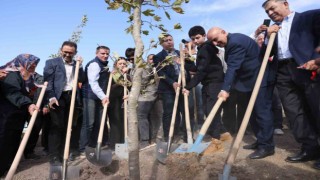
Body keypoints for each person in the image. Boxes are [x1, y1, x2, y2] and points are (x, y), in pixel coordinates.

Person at [257, 0, 320, 169]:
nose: (270, 13)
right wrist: (266, 37)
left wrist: (316, 59)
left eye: (272, 8)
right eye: (267, 12)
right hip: (282, 71)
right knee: (294, 112)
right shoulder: (273, 29)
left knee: (317, 107)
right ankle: (310, 148)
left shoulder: (309, 16)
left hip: (307, 67)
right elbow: (264, 54)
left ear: (285, 3)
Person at [207, 27, 276, 159]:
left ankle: (267, 146)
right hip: (250, 82)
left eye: (216, 39)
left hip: (259, 79)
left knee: (262, 112)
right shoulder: (232, 40)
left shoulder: (235, 42)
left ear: (223, 32)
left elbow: (233, 67)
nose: (215, 43)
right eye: (212, 42)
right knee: (253, 114)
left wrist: (225, 89)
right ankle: (260, 141)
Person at [182, 26, 226, 140]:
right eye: (193, 39)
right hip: (207, 83)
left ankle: (216, 137)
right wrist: (186, 59)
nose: (195, 41)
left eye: (197, 38)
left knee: (212, 110)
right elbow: (197, 68)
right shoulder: (202, 49)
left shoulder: (206, 48)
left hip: (214, 82)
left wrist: (188, 86)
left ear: (204, 36)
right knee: (207, 109)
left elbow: (202, 71)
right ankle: (217, 131)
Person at [43, 41, 84, 165]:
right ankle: (54, 156)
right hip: (58, 97)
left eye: (70, 53)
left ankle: (63, 154)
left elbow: (81, 79)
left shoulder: (77, 64)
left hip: (72, 98)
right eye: (65, 52)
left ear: (75, 52)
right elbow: (48, 82)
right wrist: (51, 97)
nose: (67, 54)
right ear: (61, 50)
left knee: (68, 127)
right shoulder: (51, 63)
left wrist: (80, 67)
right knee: (57, 126)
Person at [0, 54, 40, 176]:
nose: (33, 66)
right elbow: (12, 93)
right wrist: (28, 104)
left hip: (17, 114)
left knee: (13, 141)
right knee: (5, 141)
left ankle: (8, 166)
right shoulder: (12, 74)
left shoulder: (25, 76)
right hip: (6, 114)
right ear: (23, 63)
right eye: (31, 63)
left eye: (35, 64)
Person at [153, 33, 196, 142]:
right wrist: (172, 83)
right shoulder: (158, 57)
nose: (169, 42)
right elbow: (161, 73)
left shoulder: (180, 53)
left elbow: (193, 68)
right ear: (161, 43)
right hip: (169, 89)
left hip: (185, 87)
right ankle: (169, 137)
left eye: (170, 39)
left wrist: (188, 59)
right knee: (169, 113)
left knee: (188, 111)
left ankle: (188, 137)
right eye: (166, 40)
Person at [80, 46, 111, 156]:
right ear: (96, 53)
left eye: (107, 54)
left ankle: (93, 145)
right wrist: (103, 96)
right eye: (103, 53)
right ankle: (83, 147)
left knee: (99, 122)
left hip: (100, 97)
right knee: (89, 122)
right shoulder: (94, 64)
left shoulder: (104, 65)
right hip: (90, 96)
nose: (105, 55)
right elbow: (93, 83)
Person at [137, 54, 162, 146]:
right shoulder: (146, 69)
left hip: (155, 95)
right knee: (144, 116)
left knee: (156, 116)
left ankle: (154, 138)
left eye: (154, 59)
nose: (152, 61)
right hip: (148, 96)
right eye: (150, 59)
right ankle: (146, 140)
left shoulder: (159, 68)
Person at [108, 57, 130, 148]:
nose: (122, 65)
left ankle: (122, 142)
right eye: (120, 63)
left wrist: (129, 95)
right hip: (114, 101)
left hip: (124, 100)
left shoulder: (128, 76)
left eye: (124, 64)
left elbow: (131, 87)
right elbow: (109, 88)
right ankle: (114, 144)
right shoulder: (112, 74)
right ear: (116, 65)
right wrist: (120, 81)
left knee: (123, 121)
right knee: (115, 122)